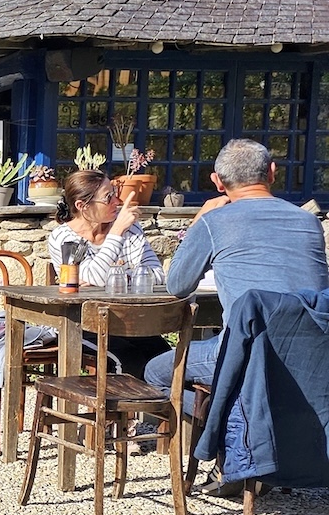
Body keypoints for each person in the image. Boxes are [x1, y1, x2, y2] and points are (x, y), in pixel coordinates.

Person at [144, 138, 329, 422]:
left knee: (156, 373)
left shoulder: (214, 222)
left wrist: (198, 221)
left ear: (217, 182)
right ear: (272, 172)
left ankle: (223, 420)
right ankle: (236, 414)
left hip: (247, 352)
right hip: (313, 354)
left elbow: (177, 285)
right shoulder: (309, 222)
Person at [48, 168, 167, 375]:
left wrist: (117, 276)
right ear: (82, 206)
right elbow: (96, 276)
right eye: (108, 198)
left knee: (166, 359)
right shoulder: (63, 238)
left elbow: (157, 274)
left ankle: (164, 398)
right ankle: (113, 399)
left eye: (115, 193)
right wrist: (117, 232)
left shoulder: (131, 229)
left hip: (127, 321)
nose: (117, 202)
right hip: (82, 325)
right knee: (129, 360)